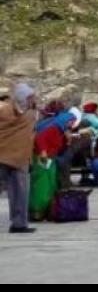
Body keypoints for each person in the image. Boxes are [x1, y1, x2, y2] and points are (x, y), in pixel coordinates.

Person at [0, 82, 38, 233]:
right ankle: (19, 223)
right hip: (11, 155)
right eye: (31, 96)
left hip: (15, 155)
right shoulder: (18, 112)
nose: (33, 99)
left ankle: (19, 223)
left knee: (20, 192)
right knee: (20, 191)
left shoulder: (22, 111)